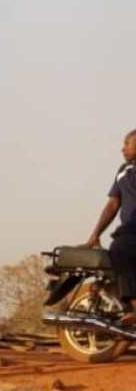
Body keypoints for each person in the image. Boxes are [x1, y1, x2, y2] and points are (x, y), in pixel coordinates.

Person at [85, 129, 136, 320]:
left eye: (126, 144)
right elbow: (113, 204)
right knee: (120, 248)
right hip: (130, 230)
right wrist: (95, 234)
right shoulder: (123, 170)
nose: (122, 148)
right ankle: (133, 308)